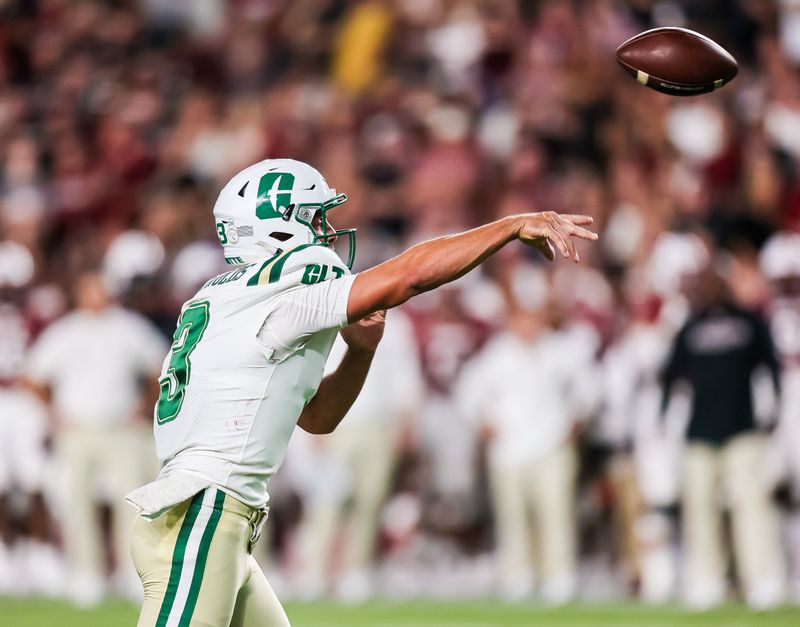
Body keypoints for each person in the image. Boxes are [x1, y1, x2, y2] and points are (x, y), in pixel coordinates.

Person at [125, 158, 597, 627]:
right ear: (277, 228)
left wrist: (361, 352)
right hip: (202, 513)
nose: (327, 231)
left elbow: (316, 418)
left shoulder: (225, 295)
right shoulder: (283, 289)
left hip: (211, 515)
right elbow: (408, 276)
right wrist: (511, 227)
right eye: (314, 217)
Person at [23, 271, 168, 605]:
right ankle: (87, 575)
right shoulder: (66, 331)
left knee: (132, 504)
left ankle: (133, 576)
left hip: (121, 429)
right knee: (76, 503)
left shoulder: (127, 327)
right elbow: (32, 376)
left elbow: (157, 369)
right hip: (77, 429)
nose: (95, 296)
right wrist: (55, 412)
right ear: (79, 294)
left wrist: (144, 408)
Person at [661, 263, 785, 609]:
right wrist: (663, 414)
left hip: (742, 428)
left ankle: (761, 579)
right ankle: (706, 580)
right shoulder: (691, 326)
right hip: (700, 431)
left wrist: (773, 408)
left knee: (752, 508)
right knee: (700, 511)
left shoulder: (748, 321)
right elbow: (671, 374)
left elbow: (771, 365)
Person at [459, 294, 598, 604]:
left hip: (552, 445)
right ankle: (517, 575)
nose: (527, 325)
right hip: (509, 450)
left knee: (556, 512)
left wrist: (576, 421)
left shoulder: (562, 350)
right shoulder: (497, 354)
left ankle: (559, 576)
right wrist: (484, 423)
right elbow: (468, 391)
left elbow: (589, 387)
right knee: (512, 516)